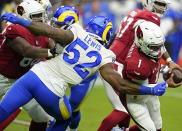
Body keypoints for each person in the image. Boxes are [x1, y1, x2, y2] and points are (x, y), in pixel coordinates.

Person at [0, 12, 168, 130]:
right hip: (52, 91)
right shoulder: (106, 55)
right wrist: (150, 89)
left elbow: (48, 30)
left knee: (3, 110)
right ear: (108, 35)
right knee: (64, 119)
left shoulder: (77, 31)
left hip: (33, 76)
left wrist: (19, 20)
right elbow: (120, 84)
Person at [98, 0, 182, 130]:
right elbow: (154, 44)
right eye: (158, 3)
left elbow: (155, 43)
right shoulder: (151, 18)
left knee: (129, 111)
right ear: (148, 2)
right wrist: (167, 63)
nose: (161, 7)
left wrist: (169, 62)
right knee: (123, 109)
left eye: (163, 5)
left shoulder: (134, 12)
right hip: (118, 63)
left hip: (113, 58)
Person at [0, 1, 57, 130]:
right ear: (24, 16)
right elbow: (27, 50)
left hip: (22, 80)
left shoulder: (43, 32)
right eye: (36, 15)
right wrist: (51, 52)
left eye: (41, 14)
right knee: (6, 110)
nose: (41, 18)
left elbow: (56, 49)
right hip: (2, 76)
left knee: (42, 116)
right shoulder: (14, 28)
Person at [114, 20, 166, 131]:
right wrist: (159, 87)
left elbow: (153, 66)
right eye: (154, 47)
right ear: (141, 43)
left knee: (158, 127)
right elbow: (132, 88)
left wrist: (166, 67)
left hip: (149, 92)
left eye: (159, 46)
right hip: (134, 98)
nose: (157, 50)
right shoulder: (136, 65)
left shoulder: (145, 46)